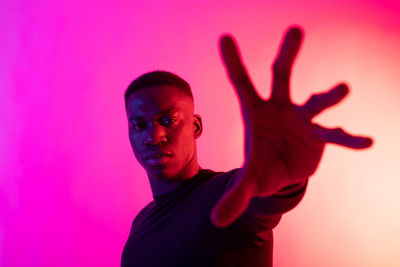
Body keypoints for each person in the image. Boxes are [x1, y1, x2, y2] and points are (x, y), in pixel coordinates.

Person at [121, 26, 373, 267]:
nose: (154, 136)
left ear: (196, 127)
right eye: (138, 125)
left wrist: (284, 179)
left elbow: (263, 203)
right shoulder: (141, 222)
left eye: (168, 121)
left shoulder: (224, 195)